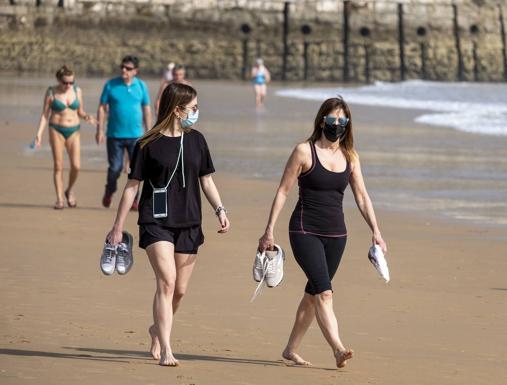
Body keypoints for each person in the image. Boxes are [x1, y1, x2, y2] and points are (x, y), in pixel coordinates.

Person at [105, 83, 230, 366]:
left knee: (180, 290)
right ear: (177, 110)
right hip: (155, 221)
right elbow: (131, 187)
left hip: (189, 222)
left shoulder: (197, 140)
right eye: (193, 108)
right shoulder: (146, 144)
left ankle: (156, 329)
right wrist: (117, 227)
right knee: (167, 281)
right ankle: (167, 348)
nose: (197, 113)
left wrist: (220, 210)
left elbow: (207, 180)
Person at [257, 97, 387, 368]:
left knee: (313, 292)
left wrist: (376, 230)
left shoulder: (350, 157)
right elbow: (283, 191)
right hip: (304, 230)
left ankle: (290, 349)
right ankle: (338, 349)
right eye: (332, 120)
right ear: (321, 121)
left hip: (337, 235)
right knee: (325, 293)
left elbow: (362, 196)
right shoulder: (304, 151)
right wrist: (269, 229)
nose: (336, 125)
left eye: (342, 121)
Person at [33, 65, 96, 209]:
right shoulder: (51, 92)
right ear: (59, 80)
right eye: (65, 82)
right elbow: (45, 115)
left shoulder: (77, 91)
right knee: (58, 165)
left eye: (71, 82)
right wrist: (38, 134)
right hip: (56, 129)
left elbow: (80, 111)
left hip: (74, 130)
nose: (68, 85)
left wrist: (87, 117)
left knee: (76, 166)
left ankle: (69, 190)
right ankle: (59, 198)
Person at [96, 55, 152, 209]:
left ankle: (135, 199)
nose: (124, 70)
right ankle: (110, 189)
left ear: (135, 71)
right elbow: (102, 107)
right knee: (115, 168)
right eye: (122, 67)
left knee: (136, 170)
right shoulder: (111, 85)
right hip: (114, 135)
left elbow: (146, 108)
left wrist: (149, 131)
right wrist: (99, 130)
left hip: (136, 136)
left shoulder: (141, 86)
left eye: (128, 68)